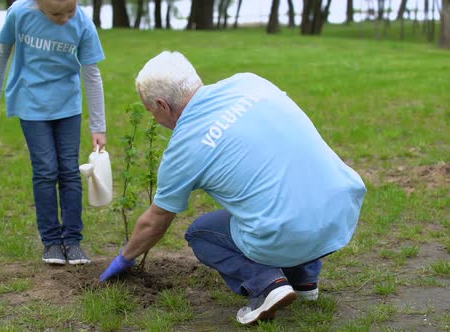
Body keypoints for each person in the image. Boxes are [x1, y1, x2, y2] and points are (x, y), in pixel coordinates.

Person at [100, 51, 366, 324]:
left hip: (290, 232)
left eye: (151, 112)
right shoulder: (249, 82)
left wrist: (125, 259)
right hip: (343, 209)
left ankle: (267, 285)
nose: (154, 119)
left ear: (161, 105)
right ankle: (304, 280)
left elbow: (155, 221)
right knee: (285, 188)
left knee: (201, 234)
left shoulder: (183, 149)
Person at [0, 0, 106, 265]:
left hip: (68, 106)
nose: (64, 19)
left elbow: (92, 73)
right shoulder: (19, 13)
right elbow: (2, 48)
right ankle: (51, 242)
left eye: (69, 11)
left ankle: (73, 241)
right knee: (45, 170)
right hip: (31, 103)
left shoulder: (84, 23)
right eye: (55, 14)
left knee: (69, 171)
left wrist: (98, 126)